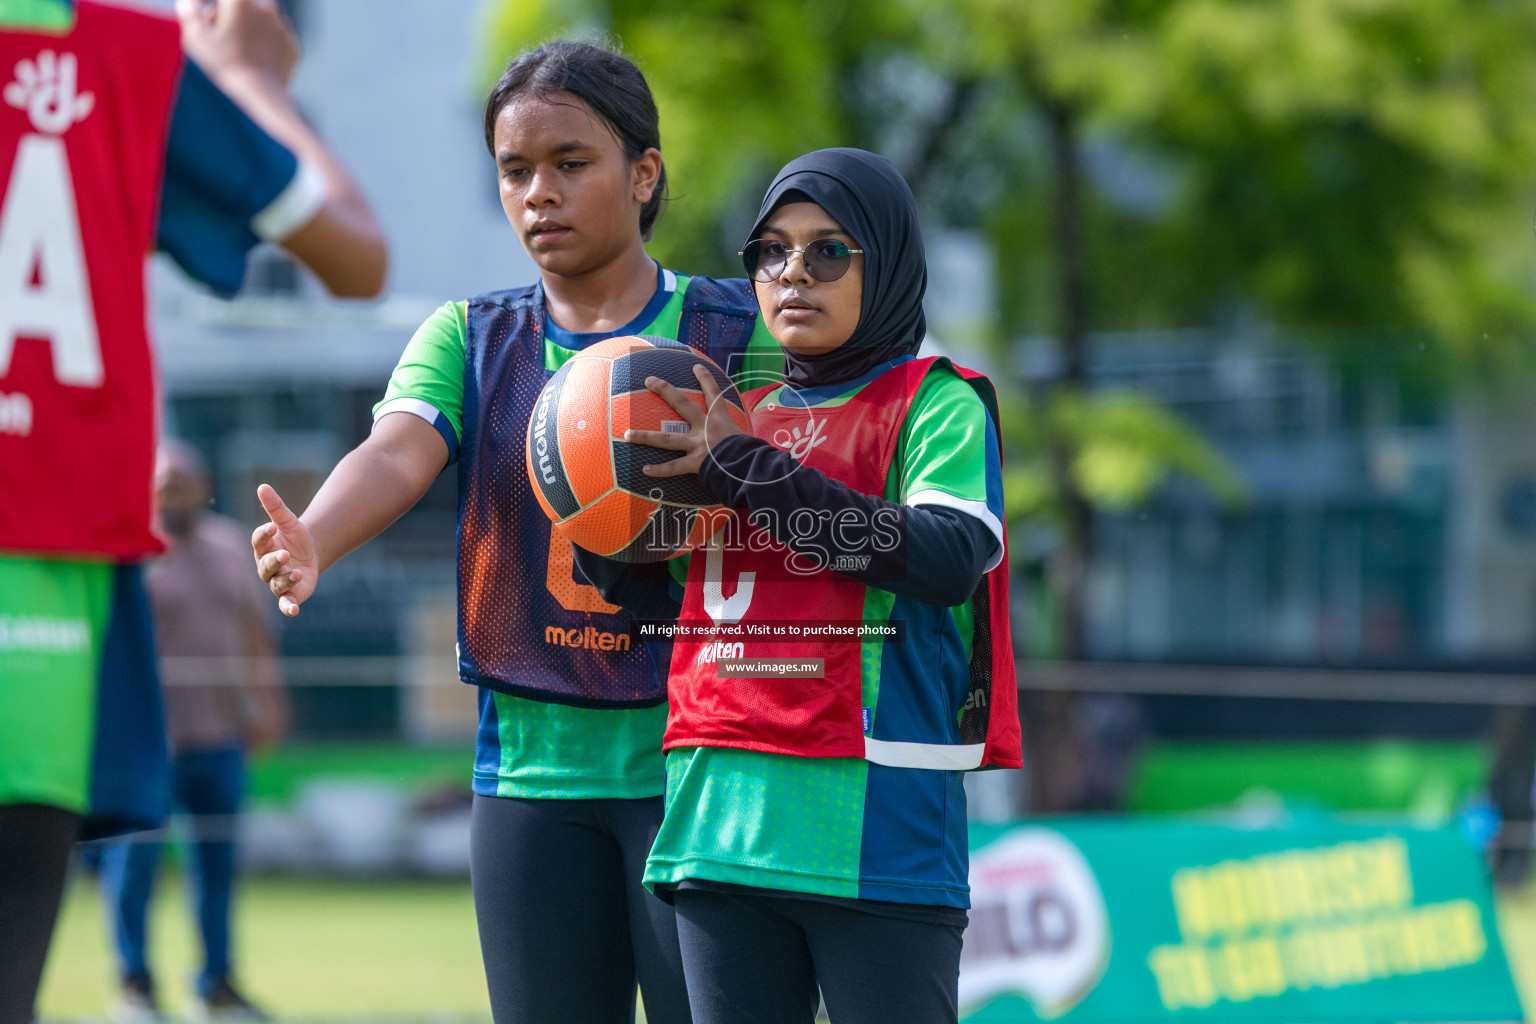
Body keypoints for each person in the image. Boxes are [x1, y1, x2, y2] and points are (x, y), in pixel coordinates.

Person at [252, 41, 779, 1024]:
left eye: (571, 162)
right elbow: (397, 452)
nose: (541, 191)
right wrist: (318, 534)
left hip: (703, 770)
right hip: (530, 781)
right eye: (515, 169)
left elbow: (817, 480)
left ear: (645, 172)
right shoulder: (470, 336)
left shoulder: (734, 332)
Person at [0, 0, 386, 1020]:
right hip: (39, 589)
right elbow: (358, 258)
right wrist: (249, 78)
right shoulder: (119, 55)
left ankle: (201, 981)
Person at [575, 148, 1024, 1024]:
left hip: (875, 831)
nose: (792, 273)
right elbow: (687, 608)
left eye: (828, 251)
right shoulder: (733, 414)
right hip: (719, 827)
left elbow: (944, 557)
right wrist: (607, 531)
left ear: (887, 262)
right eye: (770, 251)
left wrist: (742, 470)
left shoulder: (935, 403)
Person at [99, 441, 289, 1023]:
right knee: (132, 869)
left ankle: (217, 985)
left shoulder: (233, 546)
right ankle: (135, 986)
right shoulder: (129, 551)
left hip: (221, 738)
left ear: (201, 483)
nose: (171, 491)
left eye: (181, 480)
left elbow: (255, 632)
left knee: (218, 870)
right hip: (149, 745)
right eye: (161, 482)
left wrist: (269, 700)